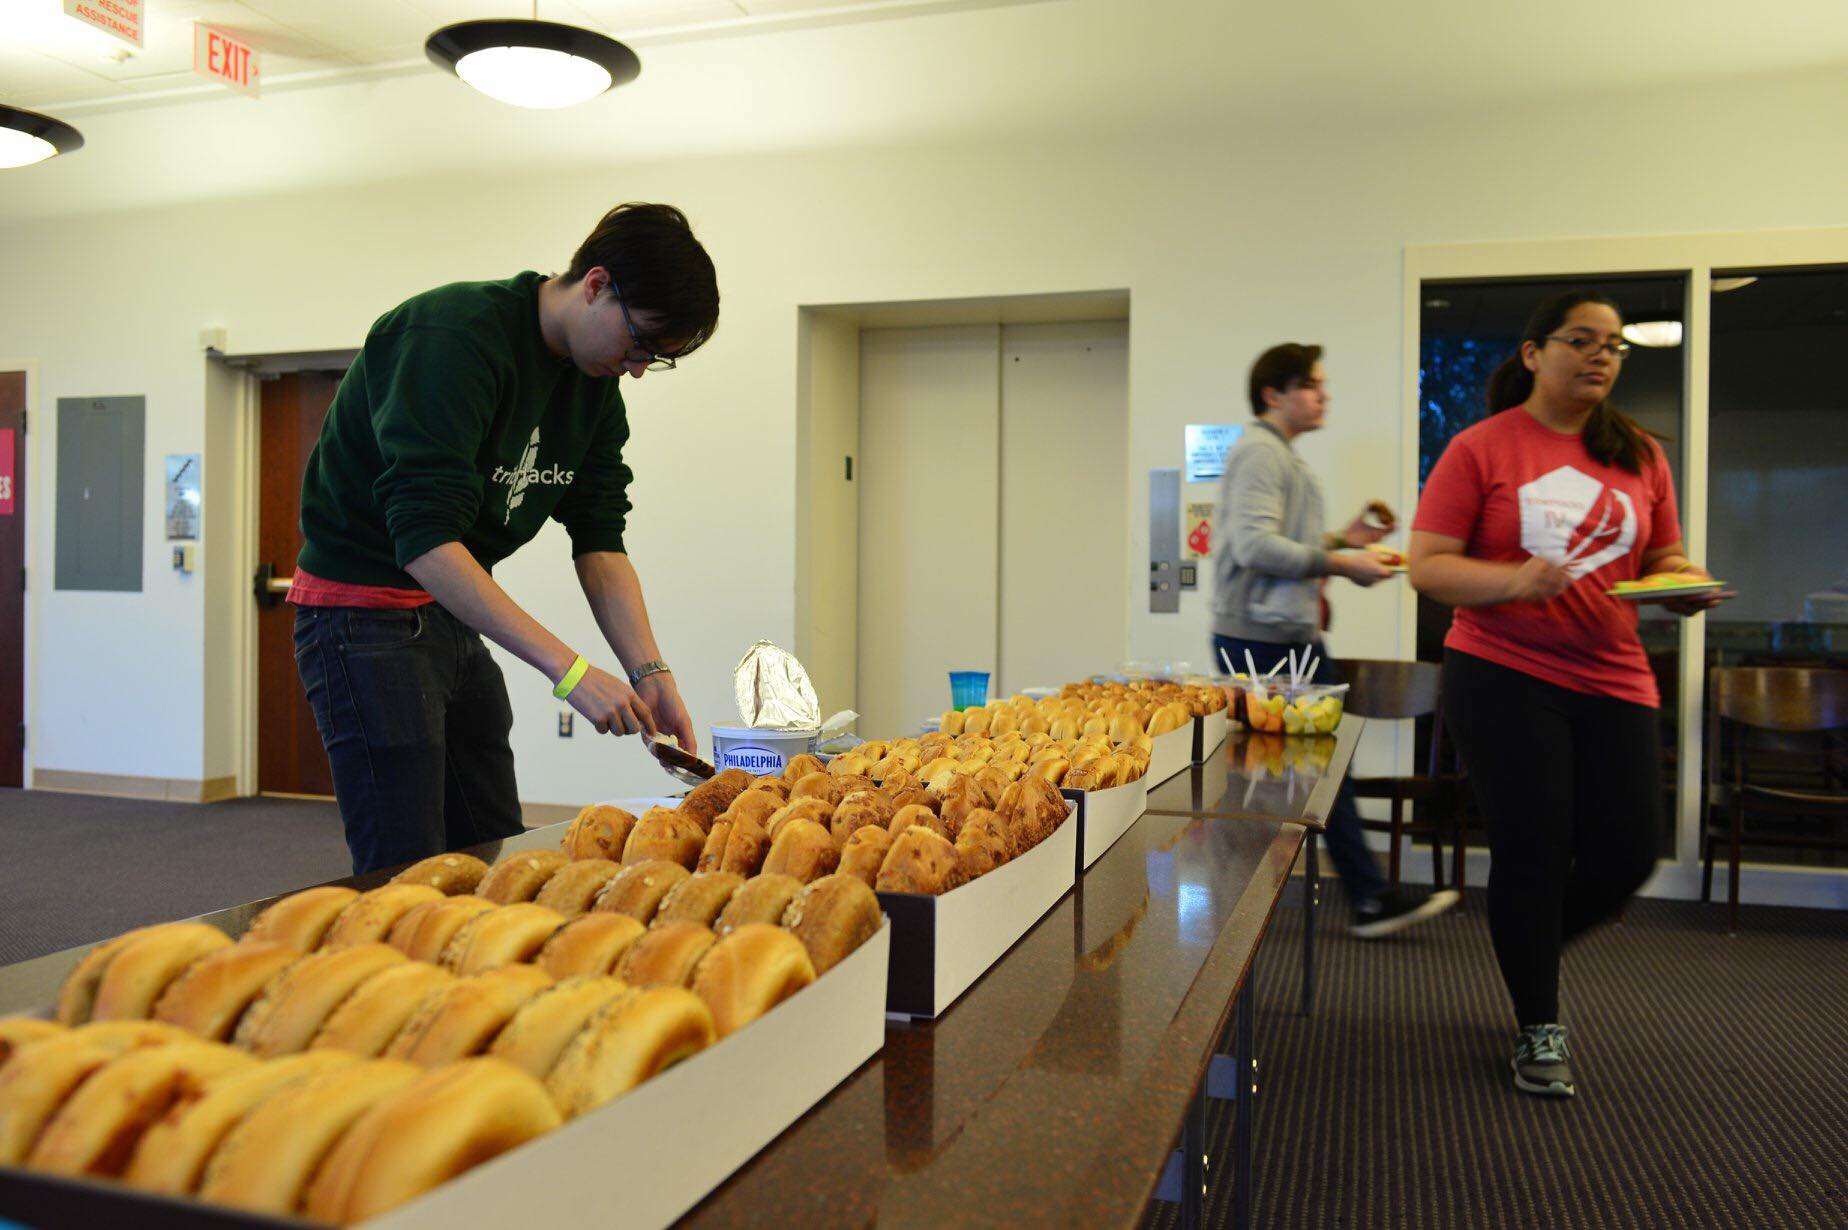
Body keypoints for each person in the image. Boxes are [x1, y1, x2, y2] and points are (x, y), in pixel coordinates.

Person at [290, 202, 718, 875]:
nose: (638, 368)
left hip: (447, 611)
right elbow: (425, 540)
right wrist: (572, 672)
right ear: (597, 284)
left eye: (656, 360)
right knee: (407, 866)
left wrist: (649, 671)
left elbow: (601, 541)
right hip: (359, 616)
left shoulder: (594, 388)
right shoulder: (452, 338)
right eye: (640, 343)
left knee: (493, 844)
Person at [1408, 291, 1730, 1098]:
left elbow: (1667, 556)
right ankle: (1538, 1022)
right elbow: (1428, 565)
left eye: (1614, 346)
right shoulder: (1481, 449)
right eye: (1580, 341)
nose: (1600, 357)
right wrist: (1513, 578)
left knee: (1629, 852)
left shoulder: (1640, 455)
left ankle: (1526, 942)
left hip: (1614, 673)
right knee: (1536, 846)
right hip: (1502, 671)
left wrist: (1686, 585)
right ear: (1532, 354)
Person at [1212, 342, 1461, 937]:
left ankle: (1362, 896)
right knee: (1289, 769)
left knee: (1316, 766)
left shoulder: (1280, 456)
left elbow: (1278, 539)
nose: (1324, 395)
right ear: (1275, 394)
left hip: (1283, 634)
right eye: (1312, 385)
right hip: (1262, 638)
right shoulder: (1260, 455)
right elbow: (1253, 548)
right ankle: (1353, 897)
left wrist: (1340, 540)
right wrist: (1343, 561)